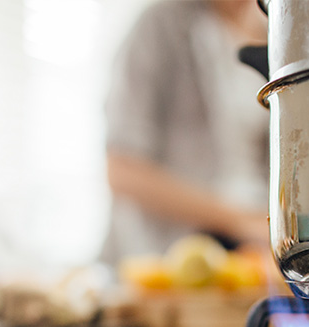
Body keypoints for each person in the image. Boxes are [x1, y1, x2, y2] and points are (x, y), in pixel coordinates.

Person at [100, 0, 270, 265]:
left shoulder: (276, 33)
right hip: (166, 257)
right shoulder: (159, 25)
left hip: (253, 255)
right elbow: (123, 170)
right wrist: (243, 221)